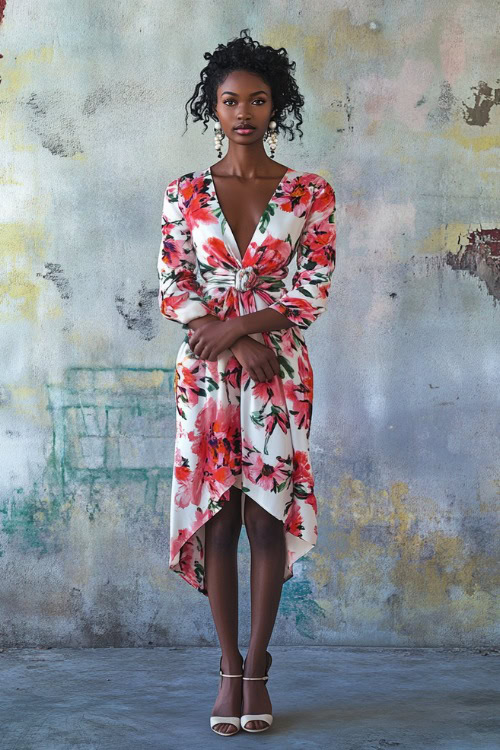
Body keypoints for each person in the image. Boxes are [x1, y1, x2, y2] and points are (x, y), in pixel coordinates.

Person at [157, 28, 337, 736]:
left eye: (258, 100)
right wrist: (236, 338)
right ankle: (227, 671)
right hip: (205, 376)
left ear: (276, 106)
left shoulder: (309, 192)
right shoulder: (184, 193)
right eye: (231, 100)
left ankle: (258, 669)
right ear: (214, 106)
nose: (244, 113)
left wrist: (245, 331)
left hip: (278, 371)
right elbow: (175, 284)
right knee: (220, 519)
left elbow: (312, 287)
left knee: (266, 516)